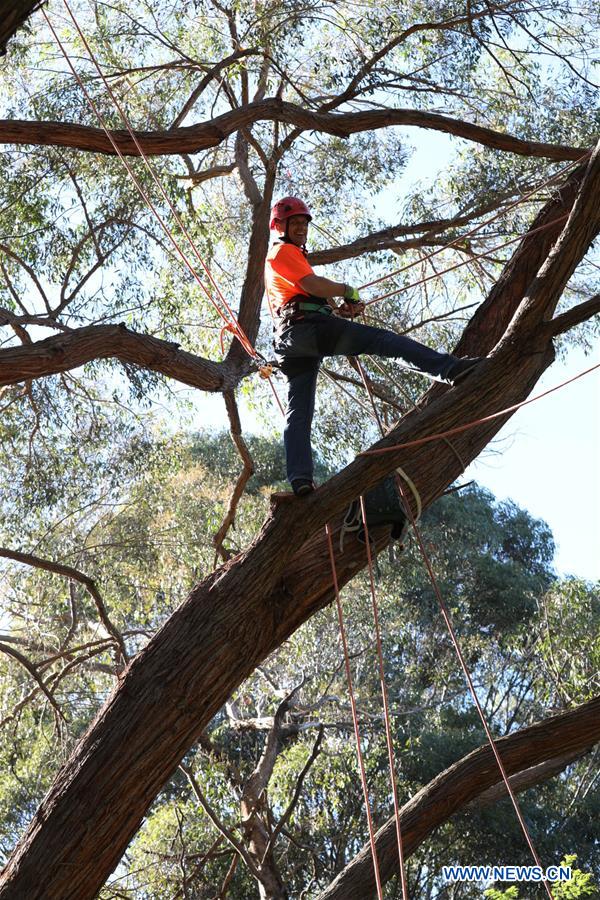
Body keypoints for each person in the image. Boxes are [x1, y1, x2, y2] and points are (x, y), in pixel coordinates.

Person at [264, 196, 480, 497]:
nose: (301, 227)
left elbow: (312, 297)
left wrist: (341, 309)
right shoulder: (282, 251)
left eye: (304, 222)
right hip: (306, 331)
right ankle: (450, 368)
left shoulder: (290, 260)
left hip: (292, 341)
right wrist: (347, 290)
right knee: (383, 342)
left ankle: (300, 480)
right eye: (295, 222)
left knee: (298, 412)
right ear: (280, 226)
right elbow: (314, 286)